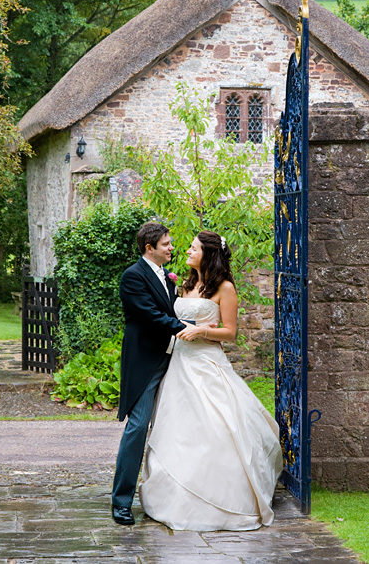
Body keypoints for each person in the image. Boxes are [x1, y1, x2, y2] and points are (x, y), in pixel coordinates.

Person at [139, 230, 283, 531]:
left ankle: (223, 497)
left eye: (193, 248)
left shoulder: (225, 288)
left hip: (206, 363)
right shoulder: (186, 283)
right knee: (178, 429)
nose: (187, 251)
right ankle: (173, 493)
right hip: (179, 364)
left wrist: (202, 331)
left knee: (217, 425)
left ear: (209, 253)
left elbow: (230, 333)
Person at [111, 221, 202, 525]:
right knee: (138, 427)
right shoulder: (132, 276)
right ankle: (121, 502)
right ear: (149, 248)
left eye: (171, 243)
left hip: (174, 359)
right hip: (145, 361)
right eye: (166, 244)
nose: (171, 247)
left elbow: (173, 307)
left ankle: (177, 492)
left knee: (177, 425)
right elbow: (150, 315)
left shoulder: (168, 277)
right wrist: (186, 328)